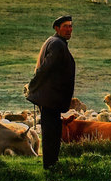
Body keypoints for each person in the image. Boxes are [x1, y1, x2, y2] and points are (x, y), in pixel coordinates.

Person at [26, 15, 75, 170]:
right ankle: (50, 166)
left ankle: (52, 164)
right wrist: (32, 86)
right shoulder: (57, 44)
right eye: (65, 26)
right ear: (57, 28)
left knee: (51, 131)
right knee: (51, 133)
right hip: (50, 98)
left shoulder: (53, 42)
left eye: (70, 26)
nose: (69, 29)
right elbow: (46, 68)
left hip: (50, 98)